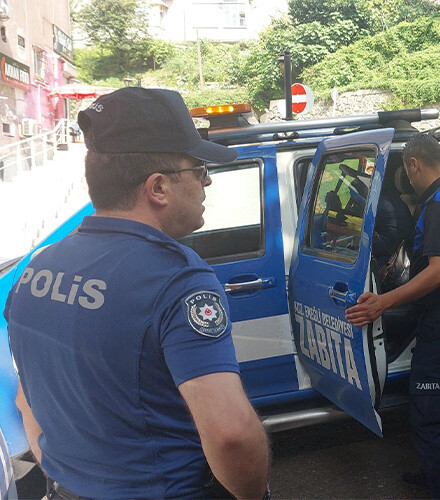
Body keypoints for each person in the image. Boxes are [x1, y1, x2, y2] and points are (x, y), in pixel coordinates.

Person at [4, 87, 270, 499]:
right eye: (199, 169)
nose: (208, 181)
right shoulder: (176, 278)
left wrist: (68, 480)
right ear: (158, 187)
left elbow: (27, 402)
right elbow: (231, 433)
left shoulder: (37, 267)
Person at [345, 134, 440, 499]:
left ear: (413, 164)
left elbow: (438, 272)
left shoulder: (438, 204)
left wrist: (383, 302)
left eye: (408, 170)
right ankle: (434, 473)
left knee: (427, 418)